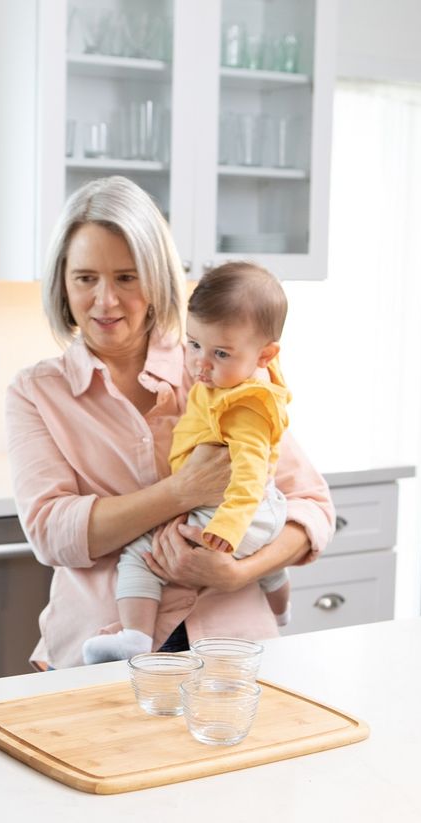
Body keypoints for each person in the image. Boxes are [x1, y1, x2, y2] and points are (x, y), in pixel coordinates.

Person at [5, 176, 335, 671]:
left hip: (233, 648)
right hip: (100, 652)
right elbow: (52, 533)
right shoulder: (36, 392)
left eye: (126, 277)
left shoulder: (219, 370)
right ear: (63, 282)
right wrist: (182, 491)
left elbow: (311, 507)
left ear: (156, 278)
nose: (105, 301)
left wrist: (239, 571)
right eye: (85, 278)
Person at [82, 261, 293, 664]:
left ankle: (135, 637)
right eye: (194, 345)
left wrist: (226, 531)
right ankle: (281, 607)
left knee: (141, 551)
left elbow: (249, 477)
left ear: (265, 355)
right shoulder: (233, 378)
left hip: (238, 512)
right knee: (267, 562)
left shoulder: (247, 404)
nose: (200, 364)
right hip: (260, 513)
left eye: (221, 353)